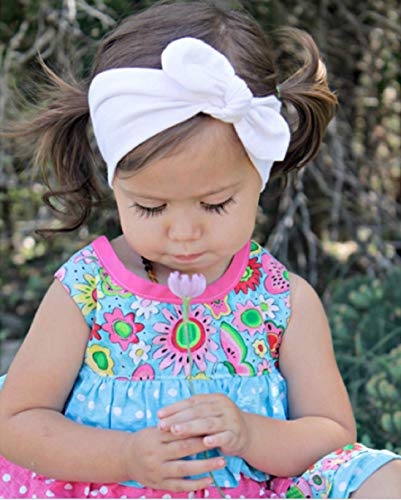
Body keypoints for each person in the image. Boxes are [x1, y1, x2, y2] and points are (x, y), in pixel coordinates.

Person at [0, 1, 400, 498]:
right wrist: (125, 456)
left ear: (258, 178)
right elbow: (16, 422)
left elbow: (332, 434)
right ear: (116, 185)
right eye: (150, 207)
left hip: (253, 489)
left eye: (215, 204)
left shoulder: (281, 299)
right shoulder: (88, 291)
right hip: (120, 488)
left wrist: (252, 434)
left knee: (387, 480)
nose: (184, 233)